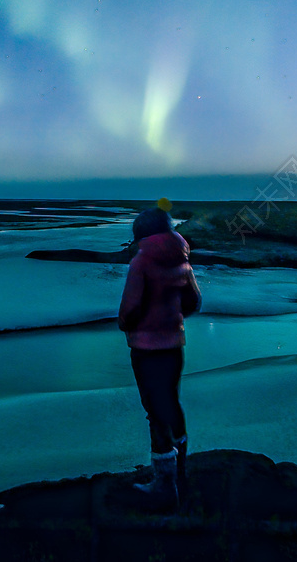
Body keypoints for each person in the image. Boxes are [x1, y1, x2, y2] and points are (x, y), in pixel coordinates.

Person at [117, 196, 201, 509]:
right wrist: (171, 320)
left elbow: (130, 308)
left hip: (146, 349)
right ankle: (180, 474)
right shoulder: (182, 258)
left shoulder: (140, 262)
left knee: (155, 411)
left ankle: (165, 487)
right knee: (171, 404)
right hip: (174, 345)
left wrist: (126, 324)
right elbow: (193, 302)